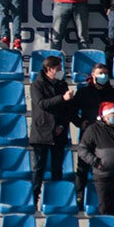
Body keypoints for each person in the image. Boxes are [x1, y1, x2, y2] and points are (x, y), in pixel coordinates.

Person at [70, 62, 114, 210]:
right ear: (93, 75)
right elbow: (72, 112)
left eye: (106, 74)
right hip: (88, 135)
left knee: (108, 168)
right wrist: (81, 123)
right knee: (82, 167)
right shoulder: (83, 92)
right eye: (100, 73)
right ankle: (80, 198)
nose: (103, 76)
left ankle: (110, 200)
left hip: (108, 137)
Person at [29, 55, 75, 209]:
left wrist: (62, 125)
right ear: (49, 69)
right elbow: (42, 104)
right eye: (59, 68)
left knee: (57, 168)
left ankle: (56, 200)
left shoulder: (62, 84)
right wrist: (62, 98)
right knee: (39, 168)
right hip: (41, 132)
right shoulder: (37, 85)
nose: (61, 71)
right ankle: (34, 199)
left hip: (59, 132)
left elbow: (67, 109)